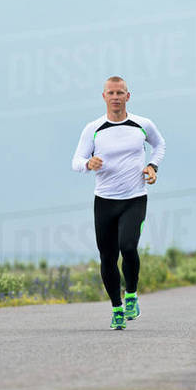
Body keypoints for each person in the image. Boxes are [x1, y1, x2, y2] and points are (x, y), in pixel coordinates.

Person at [70, 76, 166, 330]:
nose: (115, 97)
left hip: (135, 198)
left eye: (120, 93)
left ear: (128, 96)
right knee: (107, 257)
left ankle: (131, 294)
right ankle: (117, 308)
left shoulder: (142, 124)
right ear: (104, 97)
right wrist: (87, 164)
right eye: (111, 93)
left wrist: (152, 165)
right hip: (104, 201)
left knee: (128, 246)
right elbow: (76, 161)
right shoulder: (93, 128)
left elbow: (159, 145)